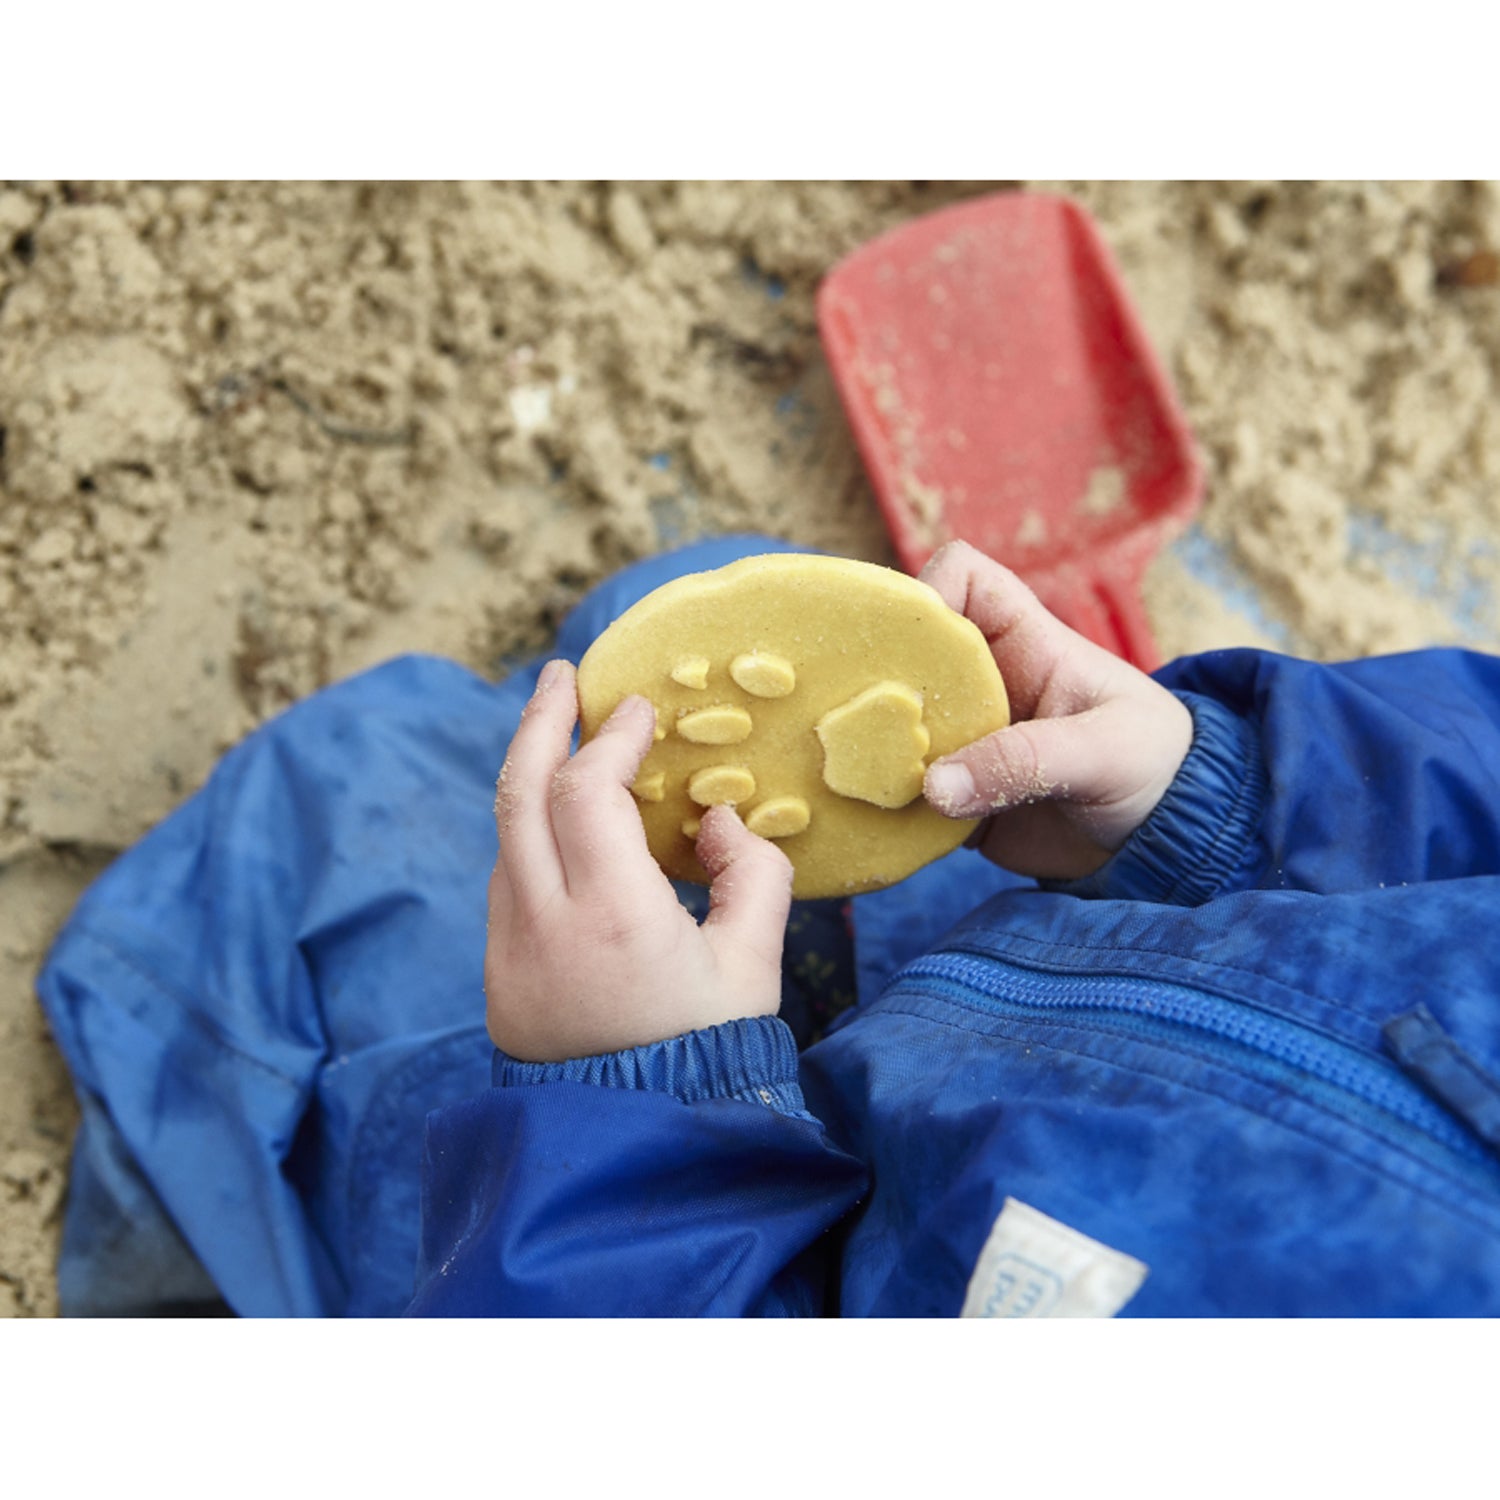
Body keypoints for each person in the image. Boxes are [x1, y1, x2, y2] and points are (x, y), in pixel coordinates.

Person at [37, 535, 1500, 1317]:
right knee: (701, 597)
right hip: (1053, 948)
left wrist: (624, 1113)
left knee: (316, 832)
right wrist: (1213, 805)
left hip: (679, 1265)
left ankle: (200, 1227)